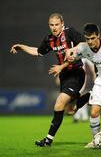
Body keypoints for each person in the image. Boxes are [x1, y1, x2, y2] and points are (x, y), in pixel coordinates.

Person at [10, 13, 86, 147]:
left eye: (57, 24)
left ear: (62, 24)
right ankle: (90, 97)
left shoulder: (70, 32)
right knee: (70, 111)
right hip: (64, 76)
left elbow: (84, 44)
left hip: (76, 73)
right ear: (49, 25)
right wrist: (22, 47)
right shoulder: (49, 40)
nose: (54, 27)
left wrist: (70, 55)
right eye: (52, 25)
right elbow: (37, 51)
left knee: (58, 104)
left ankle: (48, 140)